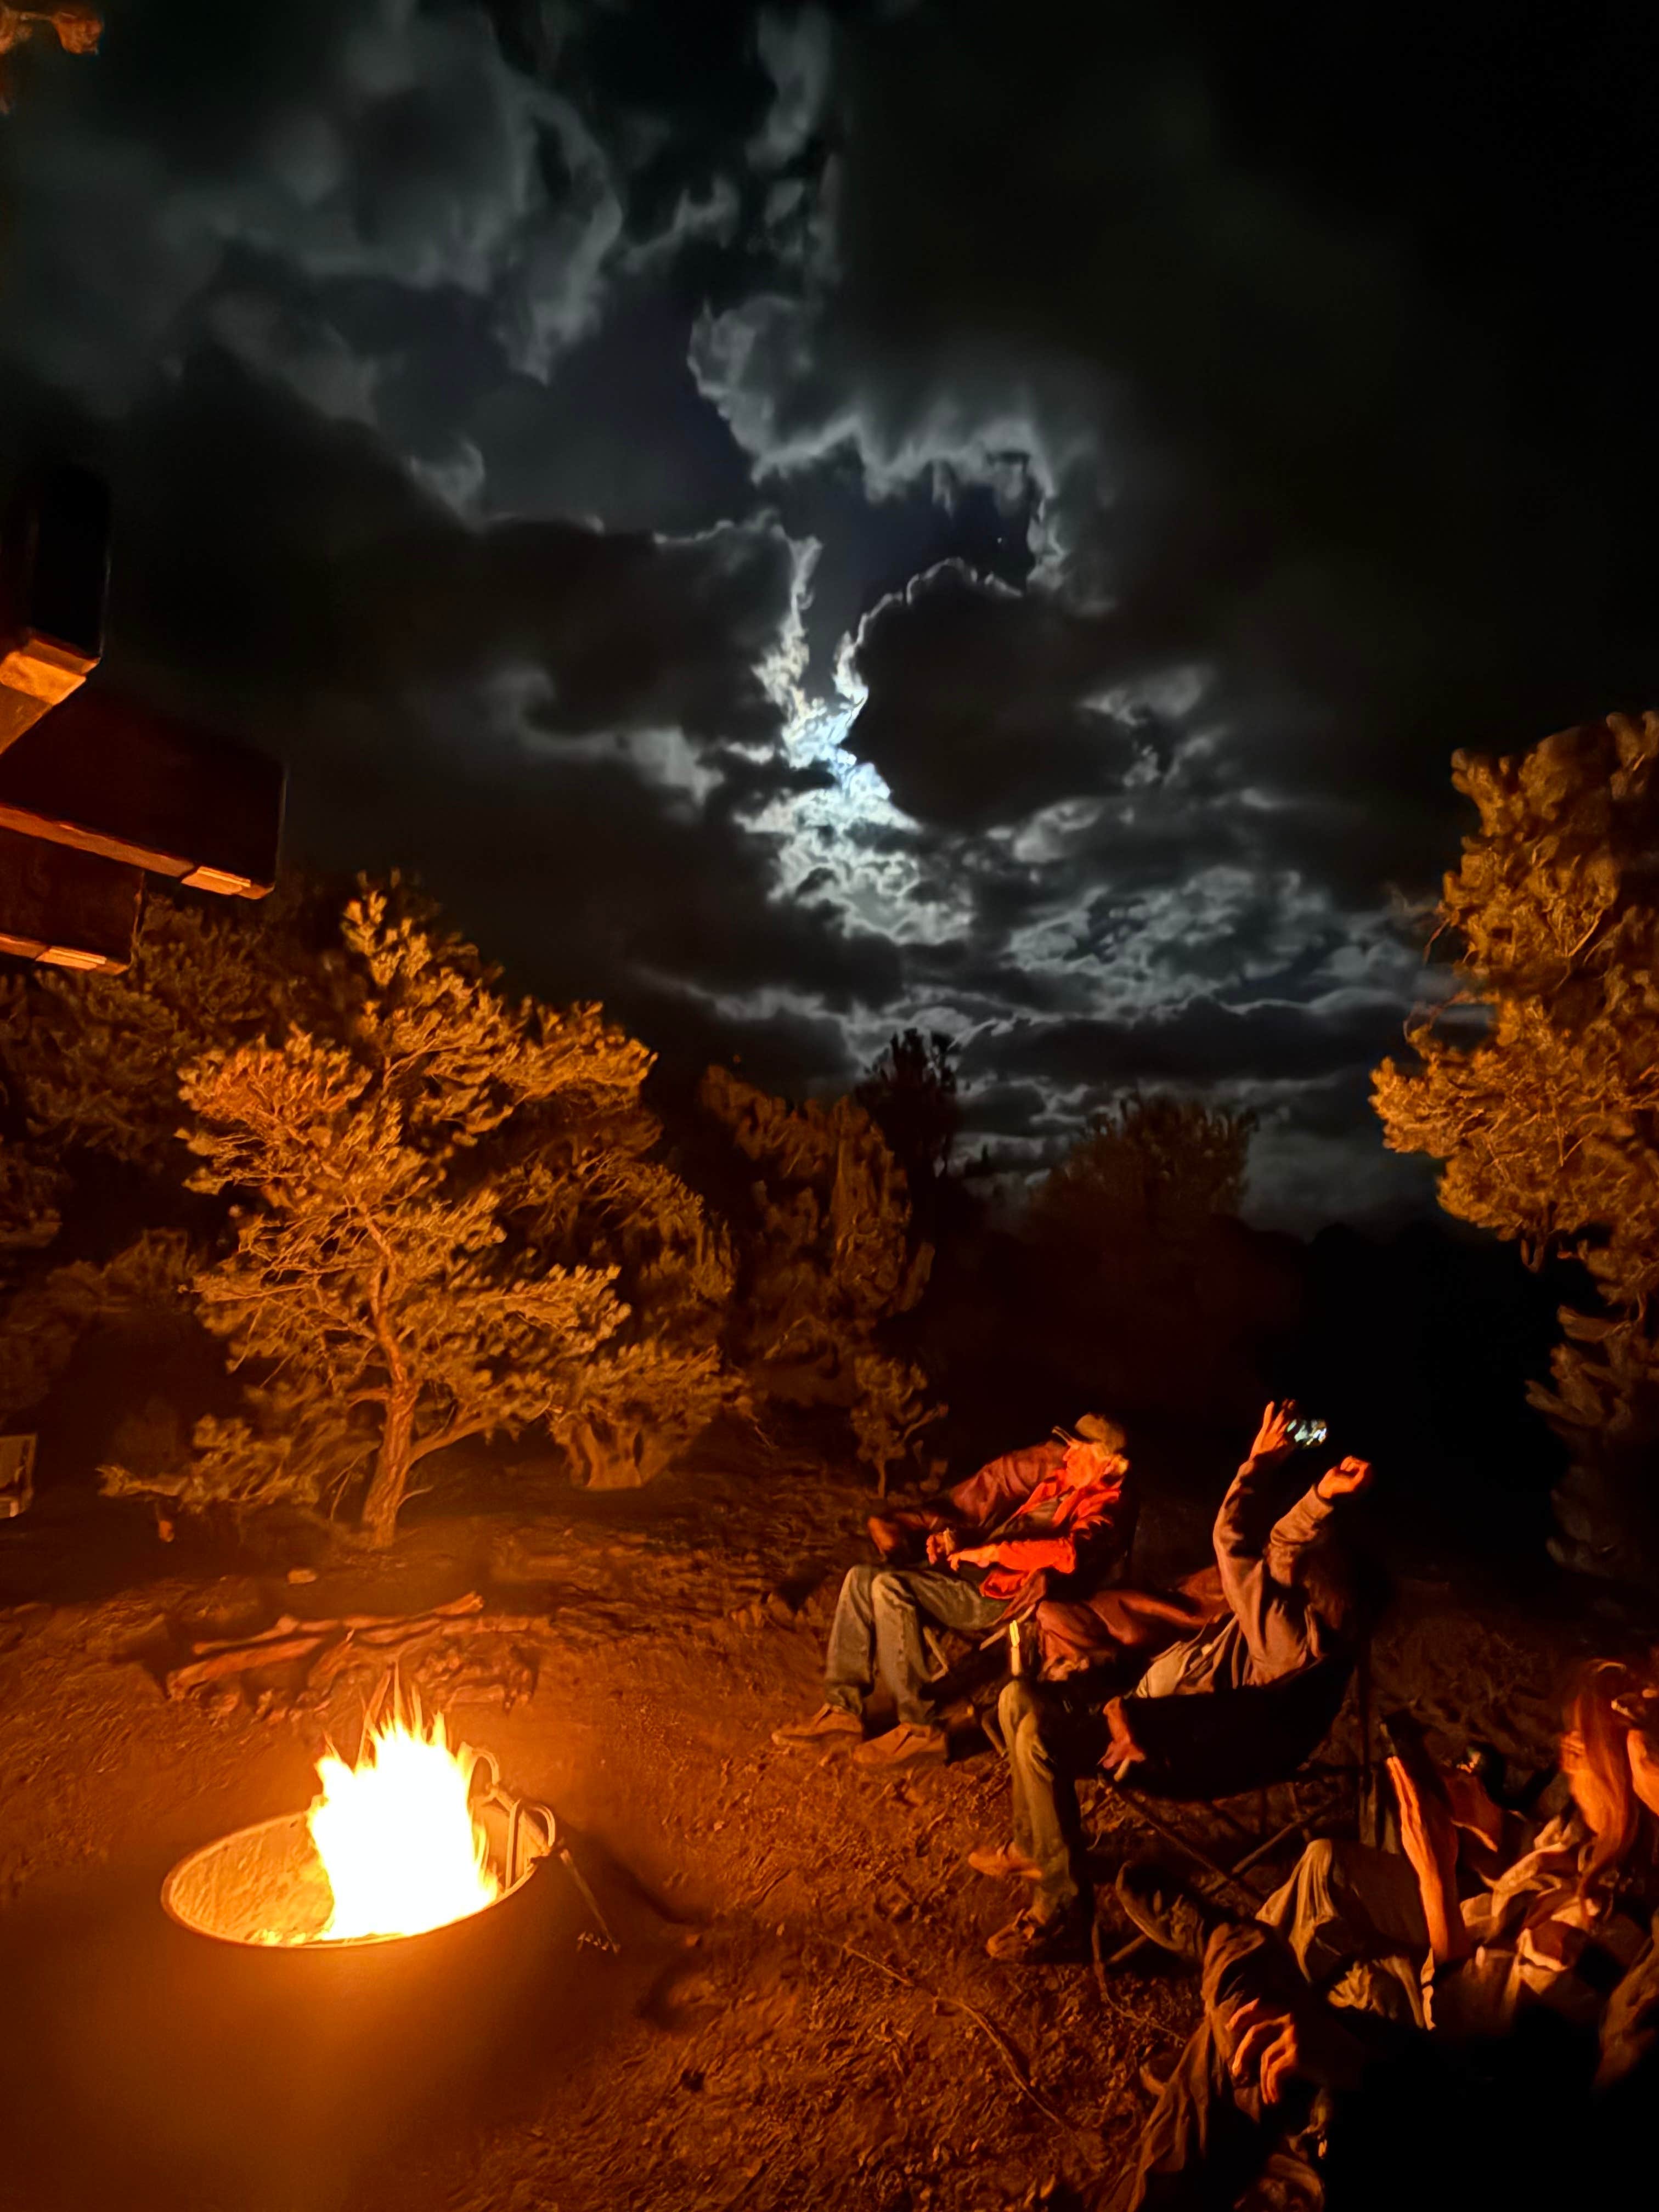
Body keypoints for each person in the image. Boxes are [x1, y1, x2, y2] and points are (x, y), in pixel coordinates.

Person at [1105, 1657, 1659, 2210]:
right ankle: (1231, 1972)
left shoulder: (1602, 1940)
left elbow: (1460, 2024)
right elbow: (1538, 1860)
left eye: (1582, 1747)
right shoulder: (1597, 1833)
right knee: (1325, 1868)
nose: (1563, 1750)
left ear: (1628, 1781)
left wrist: (1434, 1876)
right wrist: (1488, 1821)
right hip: (1483, 1929)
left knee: (1269, 1999)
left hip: (1447, 2002)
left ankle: (1226, 1971)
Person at [979, 1404, 1373, 1962]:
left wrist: (1258, 1466)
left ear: (1304, 1583)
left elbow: (1230, 1537)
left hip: (1170, 1743)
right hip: (1173, 1720)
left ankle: (1061, 1911)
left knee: (1036, 1736)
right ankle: (1036, 1846)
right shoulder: (1304, 1625)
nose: (1275, 1560)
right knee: (1017, 1697)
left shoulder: (1282, 1636)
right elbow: (1283, 1544)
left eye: (1286, 1563)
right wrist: (1322, 1498)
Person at [771, 1415, 1135, 1773]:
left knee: (890, 1588)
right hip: (974, 1575)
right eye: (1068, 1448)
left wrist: (990, 1553)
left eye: (1077, 1450)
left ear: (1106, 1461)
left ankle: (921, 1727)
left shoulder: (1106, 1506)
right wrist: (957, 1542)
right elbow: (1001, 1522)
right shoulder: (1058, 1483)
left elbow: (1067, 1552)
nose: (1066, 1456)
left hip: (999, 1594)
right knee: (860, 1578)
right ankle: (842, 1708)